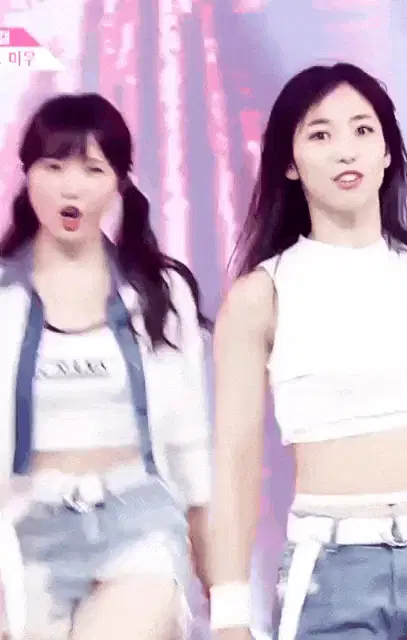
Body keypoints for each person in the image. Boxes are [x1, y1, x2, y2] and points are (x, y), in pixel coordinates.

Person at [210, 62, 407, 640]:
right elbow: (235, 461)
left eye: (362, 129)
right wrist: (229, 615)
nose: (345, 150)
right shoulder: (262, 296)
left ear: (386, 151)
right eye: (320, 134)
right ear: (288, 163)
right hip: (333, 575)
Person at [0, 93, 213, 640]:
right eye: (53, 167)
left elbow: (191, 447)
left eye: (92, 170)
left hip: (136, 518)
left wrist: (226, 598)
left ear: (119, 181)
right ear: (27, 175)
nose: (71, 187)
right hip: (22, 528)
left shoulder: (161, 291)